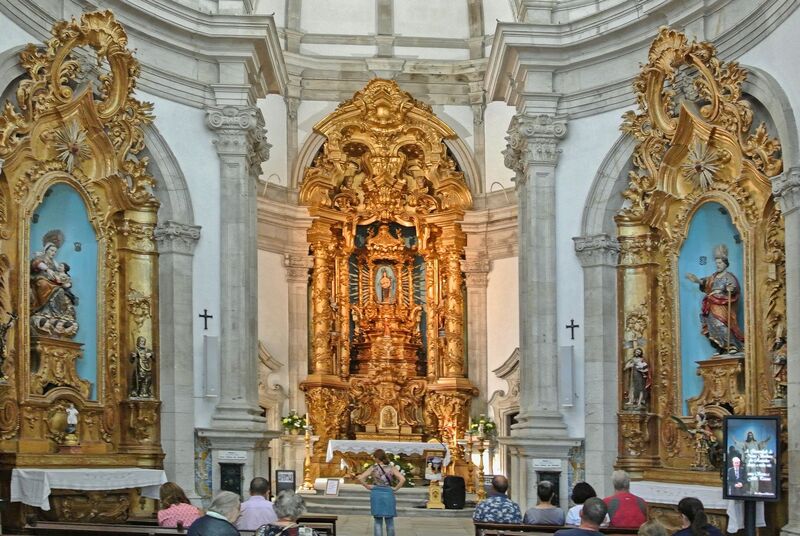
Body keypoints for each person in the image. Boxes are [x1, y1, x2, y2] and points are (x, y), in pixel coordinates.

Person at [685, 244, 744, 354]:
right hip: (711, 303)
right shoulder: (713, 276)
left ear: (725, 264)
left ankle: (731, 345)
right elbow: (705, 282)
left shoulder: (729, 276)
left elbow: (734, 287)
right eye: (716, 263)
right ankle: (720, 346)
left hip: (722, 303)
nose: (718, 265)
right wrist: (696, 280)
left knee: (721, 323)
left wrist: (731, 288)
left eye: (720, 263)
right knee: (712, 325)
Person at [357, 448, 405, 536]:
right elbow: (402, 479)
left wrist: (367, 486)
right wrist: (395, 488)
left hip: (376, 493)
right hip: (388, 493)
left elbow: (360, 478)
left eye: (374, 458)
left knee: (377, 521)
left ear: (377, 458)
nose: (374, 459)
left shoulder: (373, 468)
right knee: (389, 521)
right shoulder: (392, 468)